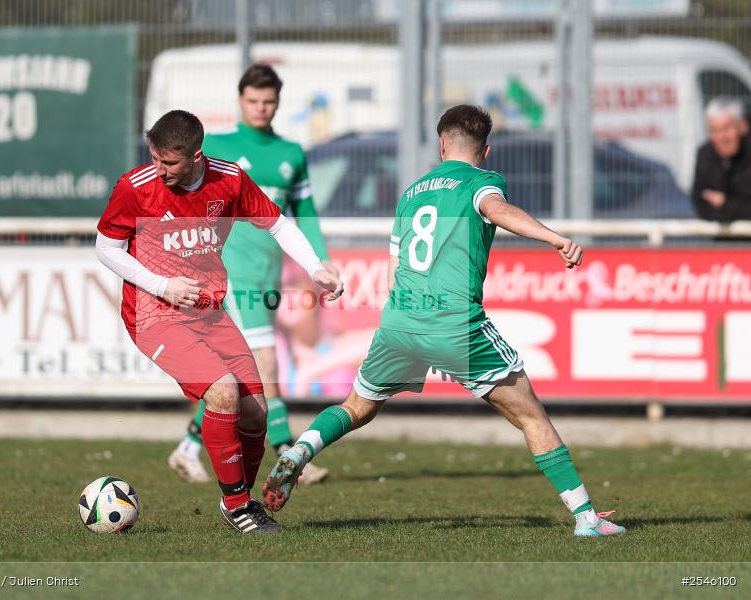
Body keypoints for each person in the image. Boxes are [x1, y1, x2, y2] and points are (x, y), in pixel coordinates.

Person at [262, 105, 626, 538]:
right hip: (455, 324)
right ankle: (586, 518)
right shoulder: (481, 182)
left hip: (400, 322)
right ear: (486, 151)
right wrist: (554, 238)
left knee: (357, 407)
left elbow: (394, 274)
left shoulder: (412, 193)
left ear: (441, 144)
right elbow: (496, 209)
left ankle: (300, 451)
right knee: (532, 418)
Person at [95, 109, 343, 534]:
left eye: (169, 162)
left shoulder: (228, 180)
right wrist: (162, 285)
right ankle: (238, 506)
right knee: (224, 393)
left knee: (256, 413)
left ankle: (238, 499)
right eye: (154, 158)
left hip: (209, 312)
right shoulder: (135, 187)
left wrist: (315, 267)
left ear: (196, 156)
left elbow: (278, 223)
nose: (159, 169)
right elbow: (106, 248)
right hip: (155, 315)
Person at [168, 64, 335, 485]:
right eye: (253, 100)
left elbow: (305, 212)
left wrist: (320, 260)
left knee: (239, 373)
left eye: (268, 101)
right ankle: (290, 459)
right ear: (240, 100)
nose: (261, 107)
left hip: (268, 275)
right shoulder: (217, 146)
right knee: (265, 365)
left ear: (278, 103)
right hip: (231, 274)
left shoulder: (291, 153)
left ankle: (187, 448)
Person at [692, 96, 751, 223]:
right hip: (719, 234)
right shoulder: (705, 155)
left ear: (743, 126)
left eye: (727, 128)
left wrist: (725, 203)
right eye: (714, 130)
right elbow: (700, 204)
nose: (722, 137)